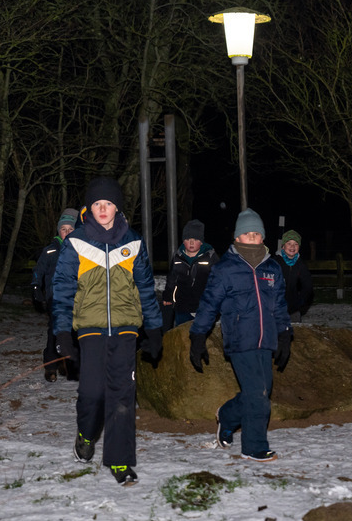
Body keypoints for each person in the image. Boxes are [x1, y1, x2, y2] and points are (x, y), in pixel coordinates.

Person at [50, 176, 163, 486]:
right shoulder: (77, 243)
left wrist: (154, 328)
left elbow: (145, 288)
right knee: (92, 393)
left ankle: (119, 461)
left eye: (108, 203)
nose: (103, 208)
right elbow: (61, 290)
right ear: (90, 208)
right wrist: (62, 333)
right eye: (97, 203)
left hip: (127, 328)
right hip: (90, 328)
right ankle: (86, 433)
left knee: (122, 396)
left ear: (117, 208)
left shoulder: (133, 243)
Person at [189, 208, 292, 463]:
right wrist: (198, 336)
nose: (252, 237)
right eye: (247, 234)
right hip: (240, 339)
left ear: (263, 238)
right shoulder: (225, 268)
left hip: (265, 339)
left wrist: (285, 334)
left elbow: (279, 305)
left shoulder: (272, 268)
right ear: (237, 238)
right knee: (257, 393)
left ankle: (227, 415)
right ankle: (254, 446)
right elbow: (209, 304)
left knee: (259, 391)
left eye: (256, 234)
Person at [31, 208, 78, 382]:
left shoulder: (81, 251)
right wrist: (36, 287)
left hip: (76, 297)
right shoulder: (50, 251)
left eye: (70, 229)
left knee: (75, 332)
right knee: (56, 331)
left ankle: (71, 364)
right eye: (63, 229)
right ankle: (50, 367)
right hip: (55, 297)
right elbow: (38, 270)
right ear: (58, 231)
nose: (66, 233)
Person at [162, 219, 219, 328]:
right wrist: (168, 296)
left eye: (195, 239)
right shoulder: (178, 257)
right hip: (182, 306)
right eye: (188, 239)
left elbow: (218, 281)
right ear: (183, 241)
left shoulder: (210, 257)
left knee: (201, 336)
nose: (191, 242)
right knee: (182, 335)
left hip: (203, 306)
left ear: (201, 241)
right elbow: (171, 279)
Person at [274, 229, 313, 323]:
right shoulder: (275, 263)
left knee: (295, 335)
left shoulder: (301, 265)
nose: (292, 247)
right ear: (283, 246)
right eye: (289, 243)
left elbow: (308, 287)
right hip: (276, 309)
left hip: (294, 310)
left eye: (295, 244)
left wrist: (300, 304)